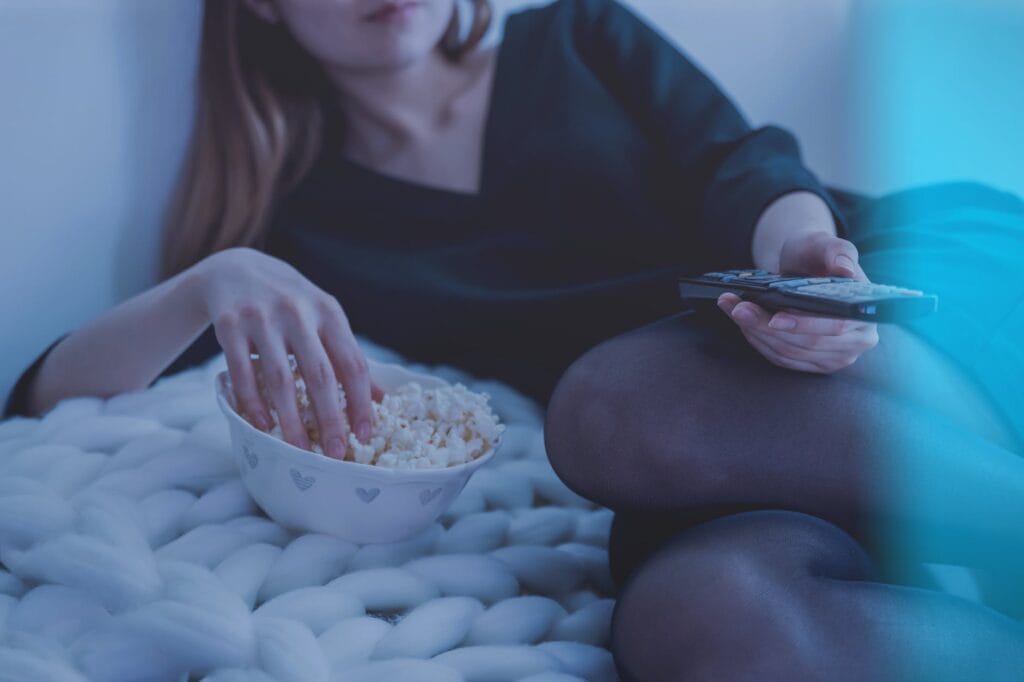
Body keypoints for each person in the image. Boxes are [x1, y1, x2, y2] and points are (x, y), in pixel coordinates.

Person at [5, 0, 1023, 678]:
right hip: (693, 455)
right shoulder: (307, 229)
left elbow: (743, 165)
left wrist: (805, 253)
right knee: (697, 620)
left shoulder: (575, 37)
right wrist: (211, 279)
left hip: (876, 297)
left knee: (612, 404)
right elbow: (44, 403)